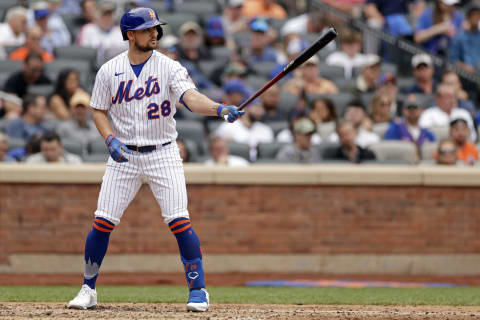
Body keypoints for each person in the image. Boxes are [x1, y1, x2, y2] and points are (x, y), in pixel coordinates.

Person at [66, 7, 244, 312]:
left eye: (156, 29)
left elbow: (190, 98)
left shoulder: (169, 67)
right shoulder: (109, 70)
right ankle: (88, 288)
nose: (155, 33)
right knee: (102, 221)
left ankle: (198, 290)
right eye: (148, 29)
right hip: (124, 156)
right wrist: (109, 138)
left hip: (162, 152)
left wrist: (218, 108)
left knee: (179, 220)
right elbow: (98, 109)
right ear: (130, 35)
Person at [449, 4, 480, 73]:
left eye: (478, 15)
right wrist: (464, 66)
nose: (476, 17)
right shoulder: (459, 37)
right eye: (473, 15)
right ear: (468, 17)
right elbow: (452, 59)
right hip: (464, 75)